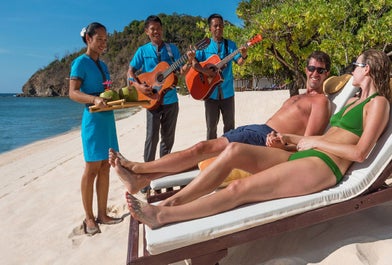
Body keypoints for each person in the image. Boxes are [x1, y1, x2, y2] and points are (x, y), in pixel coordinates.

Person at [124, 49, 391, 229]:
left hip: (324, 165)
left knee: (240, 190)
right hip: (305, 155)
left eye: (355, 65)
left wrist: (314, 142)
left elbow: (360, 153)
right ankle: (174, 200)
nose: (351, 69)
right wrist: (287, 138)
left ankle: (162, 215)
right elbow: (324, 134)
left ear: (367, 69)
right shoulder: (354, 100)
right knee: (233, 152)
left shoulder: (378, 103)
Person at [109, 51, 332, 193]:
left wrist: (282, 145)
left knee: (202, 148)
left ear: (326, 73)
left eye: (320, 70)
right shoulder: (299, 96)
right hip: (257, 129)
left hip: (266, 138)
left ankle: (137, 168)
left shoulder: (321, 102)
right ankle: (140, 181)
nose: (315, 73)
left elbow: (308, 142)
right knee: (201, 154)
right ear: (306, 69)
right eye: (311, 68)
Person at [69, 22, 123, 235]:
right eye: (99, 39)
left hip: (107, 119)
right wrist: (93, 99)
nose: (103, 43)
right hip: (92, 119)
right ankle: (89, 218)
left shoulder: (103, 65)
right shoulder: (79, 63)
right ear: (88, 39)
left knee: (105, 166)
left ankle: (102, 214)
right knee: (91, 169)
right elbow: (73, 93)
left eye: (105, 40)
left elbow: (106, 91)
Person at [127, 15, 194, 163]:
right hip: (151, 100)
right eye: (153, 29)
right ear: (147, 31)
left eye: (158, 28)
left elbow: (181, 71)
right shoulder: (142, 51)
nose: (156, 31)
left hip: (171, 100)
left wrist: (189, 61)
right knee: (151, 138)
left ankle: (163, 173)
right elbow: (130, 71)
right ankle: (146, 178)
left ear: (162, 29)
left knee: (168, 139)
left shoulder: (172, 49)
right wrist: (138, 86)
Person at [192, 13, 248, 140]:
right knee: (211, 128)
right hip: (210, 93)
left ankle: (227, 153)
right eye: (215, 26)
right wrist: (206, 72)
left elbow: (239, 62)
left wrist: (244, 55)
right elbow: (194, 63)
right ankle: (210, 156)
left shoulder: (231, 45)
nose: (219, 28)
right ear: (210, 28)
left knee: (230, 128)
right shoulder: (204, 45)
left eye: (221, 26)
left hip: (227, 93)